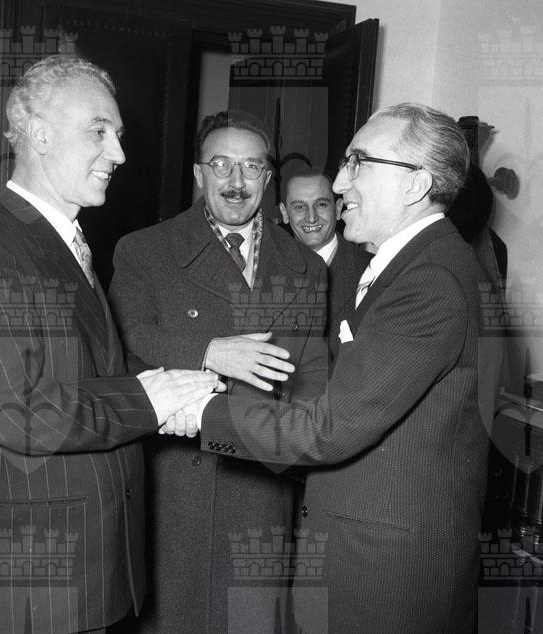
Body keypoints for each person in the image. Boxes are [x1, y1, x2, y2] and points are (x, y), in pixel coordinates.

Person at [174, 103, 495, 633]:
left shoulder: (429, 283)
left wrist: (198, 410)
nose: (341, 182)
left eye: (358, 163)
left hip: (386, 583)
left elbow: (326, 431)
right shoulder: (406, 267)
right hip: (360, 559)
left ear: (416, 184)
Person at [0, 54, 218, 634]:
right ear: (39, 135)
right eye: (99, 131)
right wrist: (150, 401)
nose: (119, 153)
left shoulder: (56, 242)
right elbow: (18, 413)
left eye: (118, 134)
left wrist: (177, 394)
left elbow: (91, 367)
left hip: (80, 563)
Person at [109, 110, 328, 633]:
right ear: (198, 172)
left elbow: (310, 380)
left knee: (251, 618)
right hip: (176, 485)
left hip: (264, 483)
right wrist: (209, 351)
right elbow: (128, 341)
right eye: (221, 165)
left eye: (251, 167)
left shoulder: (307, 268)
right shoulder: (144, 251)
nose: (236, 181)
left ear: (267, 177)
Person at [279, 167, 371, 363]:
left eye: (321, 205)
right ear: (284, 213)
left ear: (338, 209)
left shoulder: (373, 270)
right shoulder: (265, 270)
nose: (311, 217)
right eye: (299, 207)